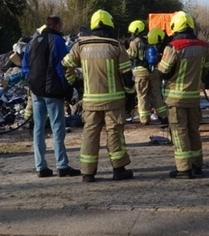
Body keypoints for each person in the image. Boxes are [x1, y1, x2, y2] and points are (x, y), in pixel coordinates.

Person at [62, 10, 135, 183]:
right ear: (110, 26)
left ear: (93, 26)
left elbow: (65, 65)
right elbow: (127, 77)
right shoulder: (117, 47)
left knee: (90, 134)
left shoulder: (80, 46)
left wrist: (76, 84)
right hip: (114, 102)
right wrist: (131, 96)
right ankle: (118, 170)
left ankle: (88, 173)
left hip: (90, 102)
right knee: (115, 134)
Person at [156, 10, 209, 178]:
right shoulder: (204, 46)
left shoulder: (173, 47)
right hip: (194, 97)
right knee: (193, 131)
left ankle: (183, 169)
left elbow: (163, 72)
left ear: (175, 26)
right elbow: (207, 71)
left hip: (175, 98)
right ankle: (197, 164)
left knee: (180, 133)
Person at [22, 16, 80, 178]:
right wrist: (67, 88)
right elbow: (61, 66)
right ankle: (62, 165)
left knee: (38, 128)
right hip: (53, 90)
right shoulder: (58, 41)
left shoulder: (32, 41)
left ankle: (41, 167)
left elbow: (25, 66)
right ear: (57, 25)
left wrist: (31, 83)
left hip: (36, 90)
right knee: (57, 128)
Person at [126, 20, 168, 125]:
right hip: (153, 71)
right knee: (156, 94)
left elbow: (131, 56)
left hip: (140, 72)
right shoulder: (149, 39)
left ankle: (145, 118)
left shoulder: (135, 42)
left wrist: (125, 50)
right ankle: (163, 116)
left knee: (142, 95)